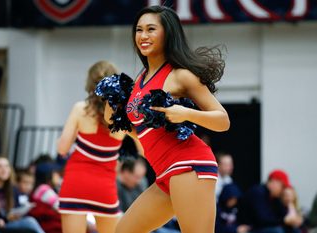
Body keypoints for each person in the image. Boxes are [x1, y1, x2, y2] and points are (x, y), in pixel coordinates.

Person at [106, 5, 230, 233]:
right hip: (164, 173)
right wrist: (115, 118)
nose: (143, 36)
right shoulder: (140, 80)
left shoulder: (180, 75)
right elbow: (142, 136)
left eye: (151, 29)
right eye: (139, 29)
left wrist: (186, 113)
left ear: (167, 34)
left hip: (188, 165)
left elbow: (223, 120)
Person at [57, 61, 126, 233]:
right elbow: (144, 149)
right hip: (105, 187)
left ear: (90, 83)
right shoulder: (124, 116)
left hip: (75, 182)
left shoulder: (80, 109)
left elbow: (62, 149)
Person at [0, 156, 44, 233]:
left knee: (30, 221)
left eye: (6, 166)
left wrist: (16, 215)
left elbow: (17, 209)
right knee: (30, 222)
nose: (4, 169)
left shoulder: (12, 189)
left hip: (8, 223)